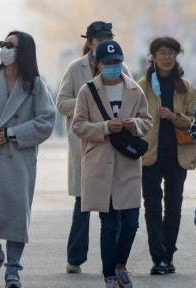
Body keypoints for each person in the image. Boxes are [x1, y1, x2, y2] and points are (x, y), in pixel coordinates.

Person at [0, 30, 56, 288]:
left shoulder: (35, 85)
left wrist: (14, 132)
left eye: (11, 45)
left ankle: (13, 269)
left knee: (16, 216)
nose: (5, 48)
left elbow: (47, 121)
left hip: (19, 159)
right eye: (3, 44)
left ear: (23, 51)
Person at [72, 40, 152, 288]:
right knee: (108, 224)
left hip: (127, 164)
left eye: (117, 62)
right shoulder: (87, 91)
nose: (112, 68)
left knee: (130, 222)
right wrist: (104, 128)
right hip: (100, 165)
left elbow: (146, 121)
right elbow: (78, 125)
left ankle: (121, 265)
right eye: (107, 63)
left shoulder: (135, 90)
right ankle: (110, 274)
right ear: (97, 64)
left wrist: (134, 125)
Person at [55, 20, 132, 274]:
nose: (104, 43)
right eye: (99, 40)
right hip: (85, 144)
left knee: (111, 206)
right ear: (89, 43)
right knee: (82, 204)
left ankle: (112, 261)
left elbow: (133, 97)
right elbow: (61, 102)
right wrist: (86, 103)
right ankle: (75, 257)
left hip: (114, 144)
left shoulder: (121, 68)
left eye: (108, 38)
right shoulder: (75, 68)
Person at [137, 36, 196, 275]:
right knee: (151, 206)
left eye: (171, 53)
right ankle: (158, 258)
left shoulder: (186, 88)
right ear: (153, 57)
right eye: (162, 52)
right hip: (149, 155)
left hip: (177, 156)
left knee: (174, 207)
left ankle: (169, 255)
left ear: (176, 56)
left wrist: (176, 117)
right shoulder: (140, 87)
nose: (166, 57)